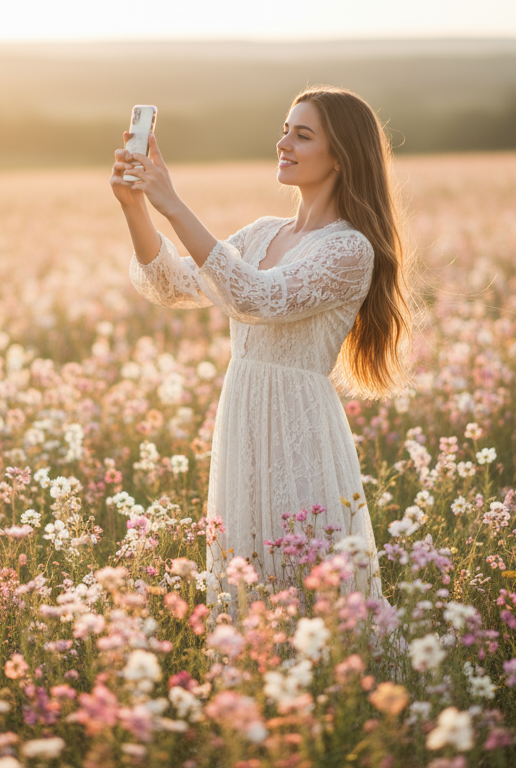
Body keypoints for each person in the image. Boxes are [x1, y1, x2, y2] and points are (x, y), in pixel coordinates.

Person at [111, 85, 412, 606]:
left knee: (309, 578)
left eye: (303, 134)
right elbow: (170, 285)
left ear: (341, 155)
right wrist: (136, 206)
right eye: (284, 130)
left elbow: (258, 298)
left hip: (300, 427)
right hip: (244, 422)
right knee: (248, 577)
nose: (284, 142)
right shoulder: (261, 235)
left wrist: (174, 205)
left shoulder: (349, 249)